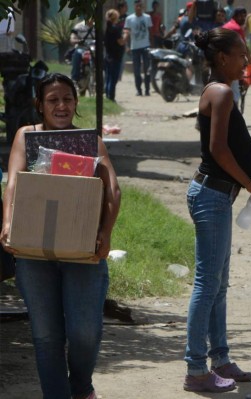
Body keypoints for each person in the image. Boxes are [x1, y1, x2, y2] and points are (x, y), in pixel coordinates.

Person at [0, 73, 121, 399]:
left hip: (82, 251)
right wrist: (8, 223)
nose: (61, 106)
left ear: (75, 102)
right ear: (40, 105)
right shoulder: (26, 136)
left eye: (67, 99)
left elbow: (112, 189)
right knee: (46, 335)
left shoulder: (89, 141)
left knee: (85, 332)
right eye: (53, 100)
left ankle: (81, 387)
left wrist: (105, 233)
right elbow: (12, 183)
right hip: (33, 253)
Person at [183, 27, 251, 393]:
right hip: (212, 196)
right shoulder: (219, 93)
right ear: (222, 58)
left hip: (218, 195)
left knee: (218, 285)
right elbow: (218, 150)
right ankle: (195, 369)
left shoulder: (222, 91)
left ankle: (220, 359)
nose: (246, 61)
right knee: (207, 284)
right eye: (240, 55)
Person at [123, 0, 153, 96]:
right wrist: (127, 46)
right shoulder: (129, 19)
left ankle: (147, 89)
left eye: (140, 6)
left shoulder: (147, 18)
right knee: (136, 70)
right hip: (135, 47)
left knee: (147, 69)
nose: (138, 8)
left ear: (142, 7)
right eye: (137, 6)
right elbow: (126, 33)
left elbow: (150, 31)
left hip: (145, 46)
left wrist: (151, 44)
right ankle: (139, 90)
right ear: (134, 7)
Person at [104, 9, 126, 102]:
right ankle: (111, 97)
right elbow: (121, 42)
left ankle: (108, 96)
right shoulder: (115, 29)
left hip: (108, 55)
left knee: (109, 77)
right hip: (115, 56)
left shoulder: (107, 28)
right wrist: (126, 35)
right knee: (113, 79)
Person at [69, 18, 95, 86]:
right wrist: (77, 40)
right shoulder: (78, 27)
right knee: (77, 53)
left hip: (93, 49)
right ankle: (75, 78)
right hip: (82, 48)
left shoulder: (96, 26)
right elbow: (72, 38)